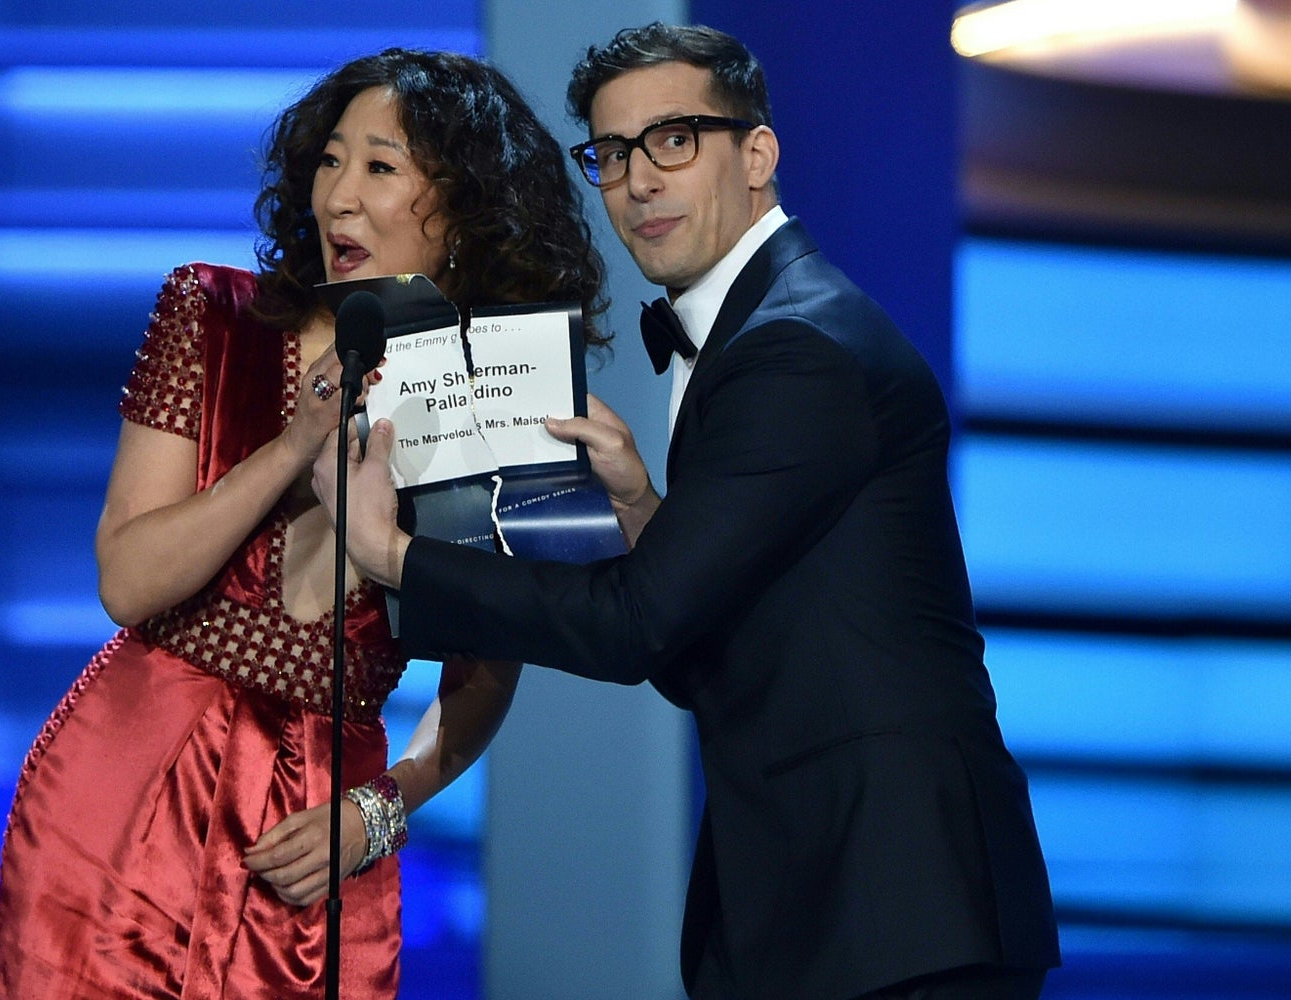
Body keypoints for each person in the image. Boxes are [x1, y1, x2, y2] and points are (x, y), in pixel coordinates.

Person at [320, 23, 1061, 1000]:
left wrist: (392, 551)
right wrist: (637, 507)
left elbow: (635, 626)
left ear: (756, 154)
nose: (637, 179)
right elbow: (707, 654)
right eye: (612, 152)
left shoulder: (796, 349)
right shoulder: (758, 330)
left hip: (895, 911)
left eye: (673, 140)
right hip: (831, 910)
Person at [0, 49, 607, 999]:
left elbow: (486, 673)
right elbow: (126, 578)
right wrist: (291, 448)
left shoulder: (503, 395)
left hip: (318, 833)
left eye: (380, 167)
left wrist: (379, 813)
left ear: (467, 207)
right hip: (131, 794)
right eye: (329, 161)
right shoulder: (215, 316)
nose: (338, 198)